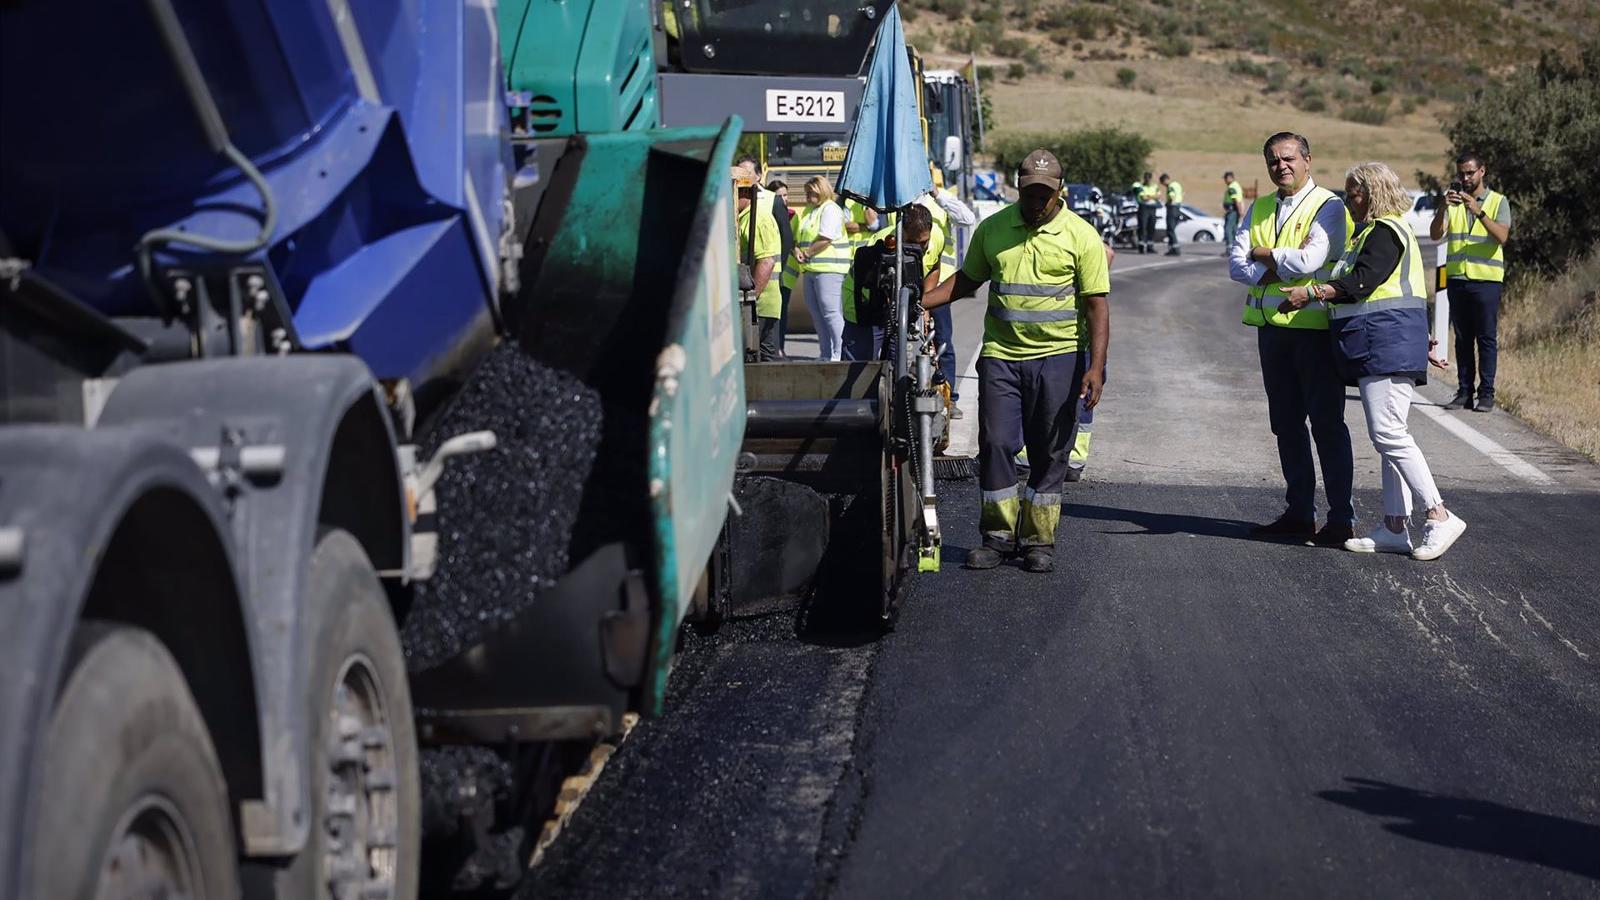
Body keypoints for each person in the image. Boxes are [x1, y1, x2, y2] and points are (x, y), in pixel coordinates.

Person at [923, 149, 1110, 574]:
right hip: (1002, 357)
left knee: (1049, 450)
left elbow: (1097, 306)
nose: (1037, 200)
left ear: (1059, 190)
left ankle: (1038, 540)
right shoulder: (994, 229)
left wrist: (1095, 367)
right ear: (1019, 188)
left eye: (1045, 193)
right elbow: (967, 280)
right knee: (997, 444)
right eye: (1030, 192)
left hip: (1060, 358)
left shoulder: (1081, 236)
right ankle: (997, 537)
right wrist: (920, 300)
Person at [1279, 161, 1467, 560]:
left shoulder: (1384, 231)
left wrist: (1312, 293)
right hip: (1381, 343)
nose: (1348, 200)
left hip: (1385, 344)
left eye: (1354, 193)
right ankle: (1395, 527)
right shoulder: (1370, 232)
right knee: (1390, 434)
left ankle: (1439, 514)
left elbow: (1362, 283)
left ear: (1374, 192)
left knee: (1388, 435)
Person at [1229, 131, 1355, 546]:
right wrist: (1277, 263)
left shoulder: (1329, 206)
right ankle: (1299, 513)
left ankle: (1340, 519)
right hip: (1272, 331)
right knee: (1285, 425)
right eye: (1273, 161)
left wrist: (1264, 254)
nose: (1280, 166)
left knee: (1326, 426)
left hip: (1314, 331)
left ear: (1307, 160)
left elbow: (1312, 260)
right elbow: (1235, 263)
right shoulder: (1261, 206)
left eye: (1288, 159)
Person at [1429, 149, 1512, 413]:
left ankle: (1486, 394)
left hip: (1486, 280)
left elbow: (1502, 236)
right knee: (1463, 339)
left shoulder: (1498, 202)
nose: (1465, 178)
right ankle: (1464, 391)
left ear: (1482, 171)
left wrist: (1479, 212)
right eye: (1461, 173)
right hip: (1457, 278)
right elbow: (1434, 235)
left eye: (1469, 173)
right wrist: (1443, 206)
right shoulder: (1452, 204)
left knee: (1486, 338)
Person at [840, 202, 940, 361]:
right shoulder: (880, 244)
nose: (919, 248)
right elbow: (871, 288)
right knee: (860, 369)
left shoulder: (937, 238)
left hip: (899, 307)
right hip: (864, 303)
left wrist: (924, 304)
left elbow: (935, 267)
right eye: (912, 242)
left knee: (899, 364)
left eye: (923, 243)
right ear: (901, 232)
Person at [782, 176, 851, 361]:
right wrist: (797, 249)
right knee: (817, 315)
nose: (807, 196)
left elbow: (825, 237)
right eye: (806, 193)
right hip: (811, 269)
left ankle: (839, 353)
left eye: (810, 193)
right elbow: (799, 236)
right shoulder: (810, 210)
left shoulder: (831, 209)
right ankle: (826, 354)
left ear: (820, 191)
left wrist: (806, 254)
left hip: (830, 269)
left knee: (831, 313)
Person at [734, 167, 782, 361]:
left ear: (744, 193)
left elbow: (766, 261)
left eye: (733, 193)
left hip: (761, 306)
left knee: (761, 363)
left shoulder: (758, 219)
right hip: (757, 305)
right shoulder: (743, 219)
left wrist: (750, 300)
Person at [767, 176, 797, 350]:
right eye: (780, 196)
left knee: (782, 312)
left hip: (788, 273)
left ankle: (780, 348)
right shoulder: (770, 214)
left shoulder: (793, 216)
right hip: (774, 271)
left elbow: (794, 240)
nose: (785, 199)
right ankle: (775, 347)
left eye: (786, 195)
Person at [1135, 170, 1160, 254]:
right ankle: (1141, 246)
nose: (1148, 180)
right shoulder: (1141, 187)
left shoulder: (1155, 186)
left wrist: (1150, 196)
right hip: (1144, 208)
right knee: (1142, 227)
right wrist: (1153, 196)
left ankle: (1150, 246)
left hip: (1152, 208)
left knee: (1151, 227)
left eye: (1149, 178)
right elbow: (1144, 198)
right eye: (1146, 178)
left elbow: (1159, 196)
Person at [1160, 173, 1183, 256]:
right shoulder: (1177, 184)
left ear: (1165, 180)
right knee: (1172, 229)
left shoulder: (1170, 187)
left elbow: (1172, 196)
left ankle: (1175, 249)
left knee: (1170, 230)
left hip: (1172, 208)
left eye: (1163, 183)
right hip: (1178, 208)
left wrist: (1168, 203)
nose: (1164, 185)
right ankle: (1172, 248)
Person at [1222, 170, 1245, 253]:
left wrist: (1240, 210)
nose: (1224, 180)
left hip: (1233, 211)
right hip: (1235, 211)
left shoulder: (1232, 187)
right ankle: (1236, 248)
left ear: (1229, 178)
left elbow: (1236, 200)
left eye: (1225, 178)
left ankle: (1230, 249)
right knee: (1234, 229)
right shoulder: (1236, 185)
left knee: (1228, 229)